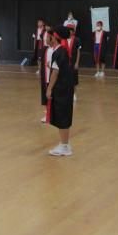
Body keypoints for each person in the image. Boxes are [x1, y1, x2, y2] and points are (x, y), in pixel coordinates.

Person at [45, 27, 75, 156]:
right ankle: (65, 143)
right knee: (64, 115)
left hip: (61, 89)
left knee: (62, 116)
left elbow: (56, 72)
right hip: (66, 88)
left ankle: (64, 147)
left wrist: (49, 89)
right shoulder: (63, 50)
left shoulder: (59, 52)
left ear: (54, 37)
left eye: (48, 36)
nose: (47, 38)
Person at [63, 27, 82, 99]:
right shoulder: (63, 39)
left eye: (71, 31)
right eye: (68, 31)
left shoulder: (77, 40)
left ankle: (74, 93)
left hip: (73, 61)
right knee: (65, 78)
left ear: (73, 32)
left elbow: (78, 52)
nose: (70, 32)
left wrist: (77, 62)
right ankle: (66, 93)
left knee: (74, 78)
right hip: (65, 62)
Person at [39, 30, 51, 123]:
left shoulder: (58, 50)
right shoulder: (44, 49)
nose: (45, 39)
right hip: (46, 77)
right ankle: (48, 114)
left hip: (53, 77)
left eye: (47, 37)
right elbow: (41, 62)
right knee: (46, 96)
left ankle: (52, 115)